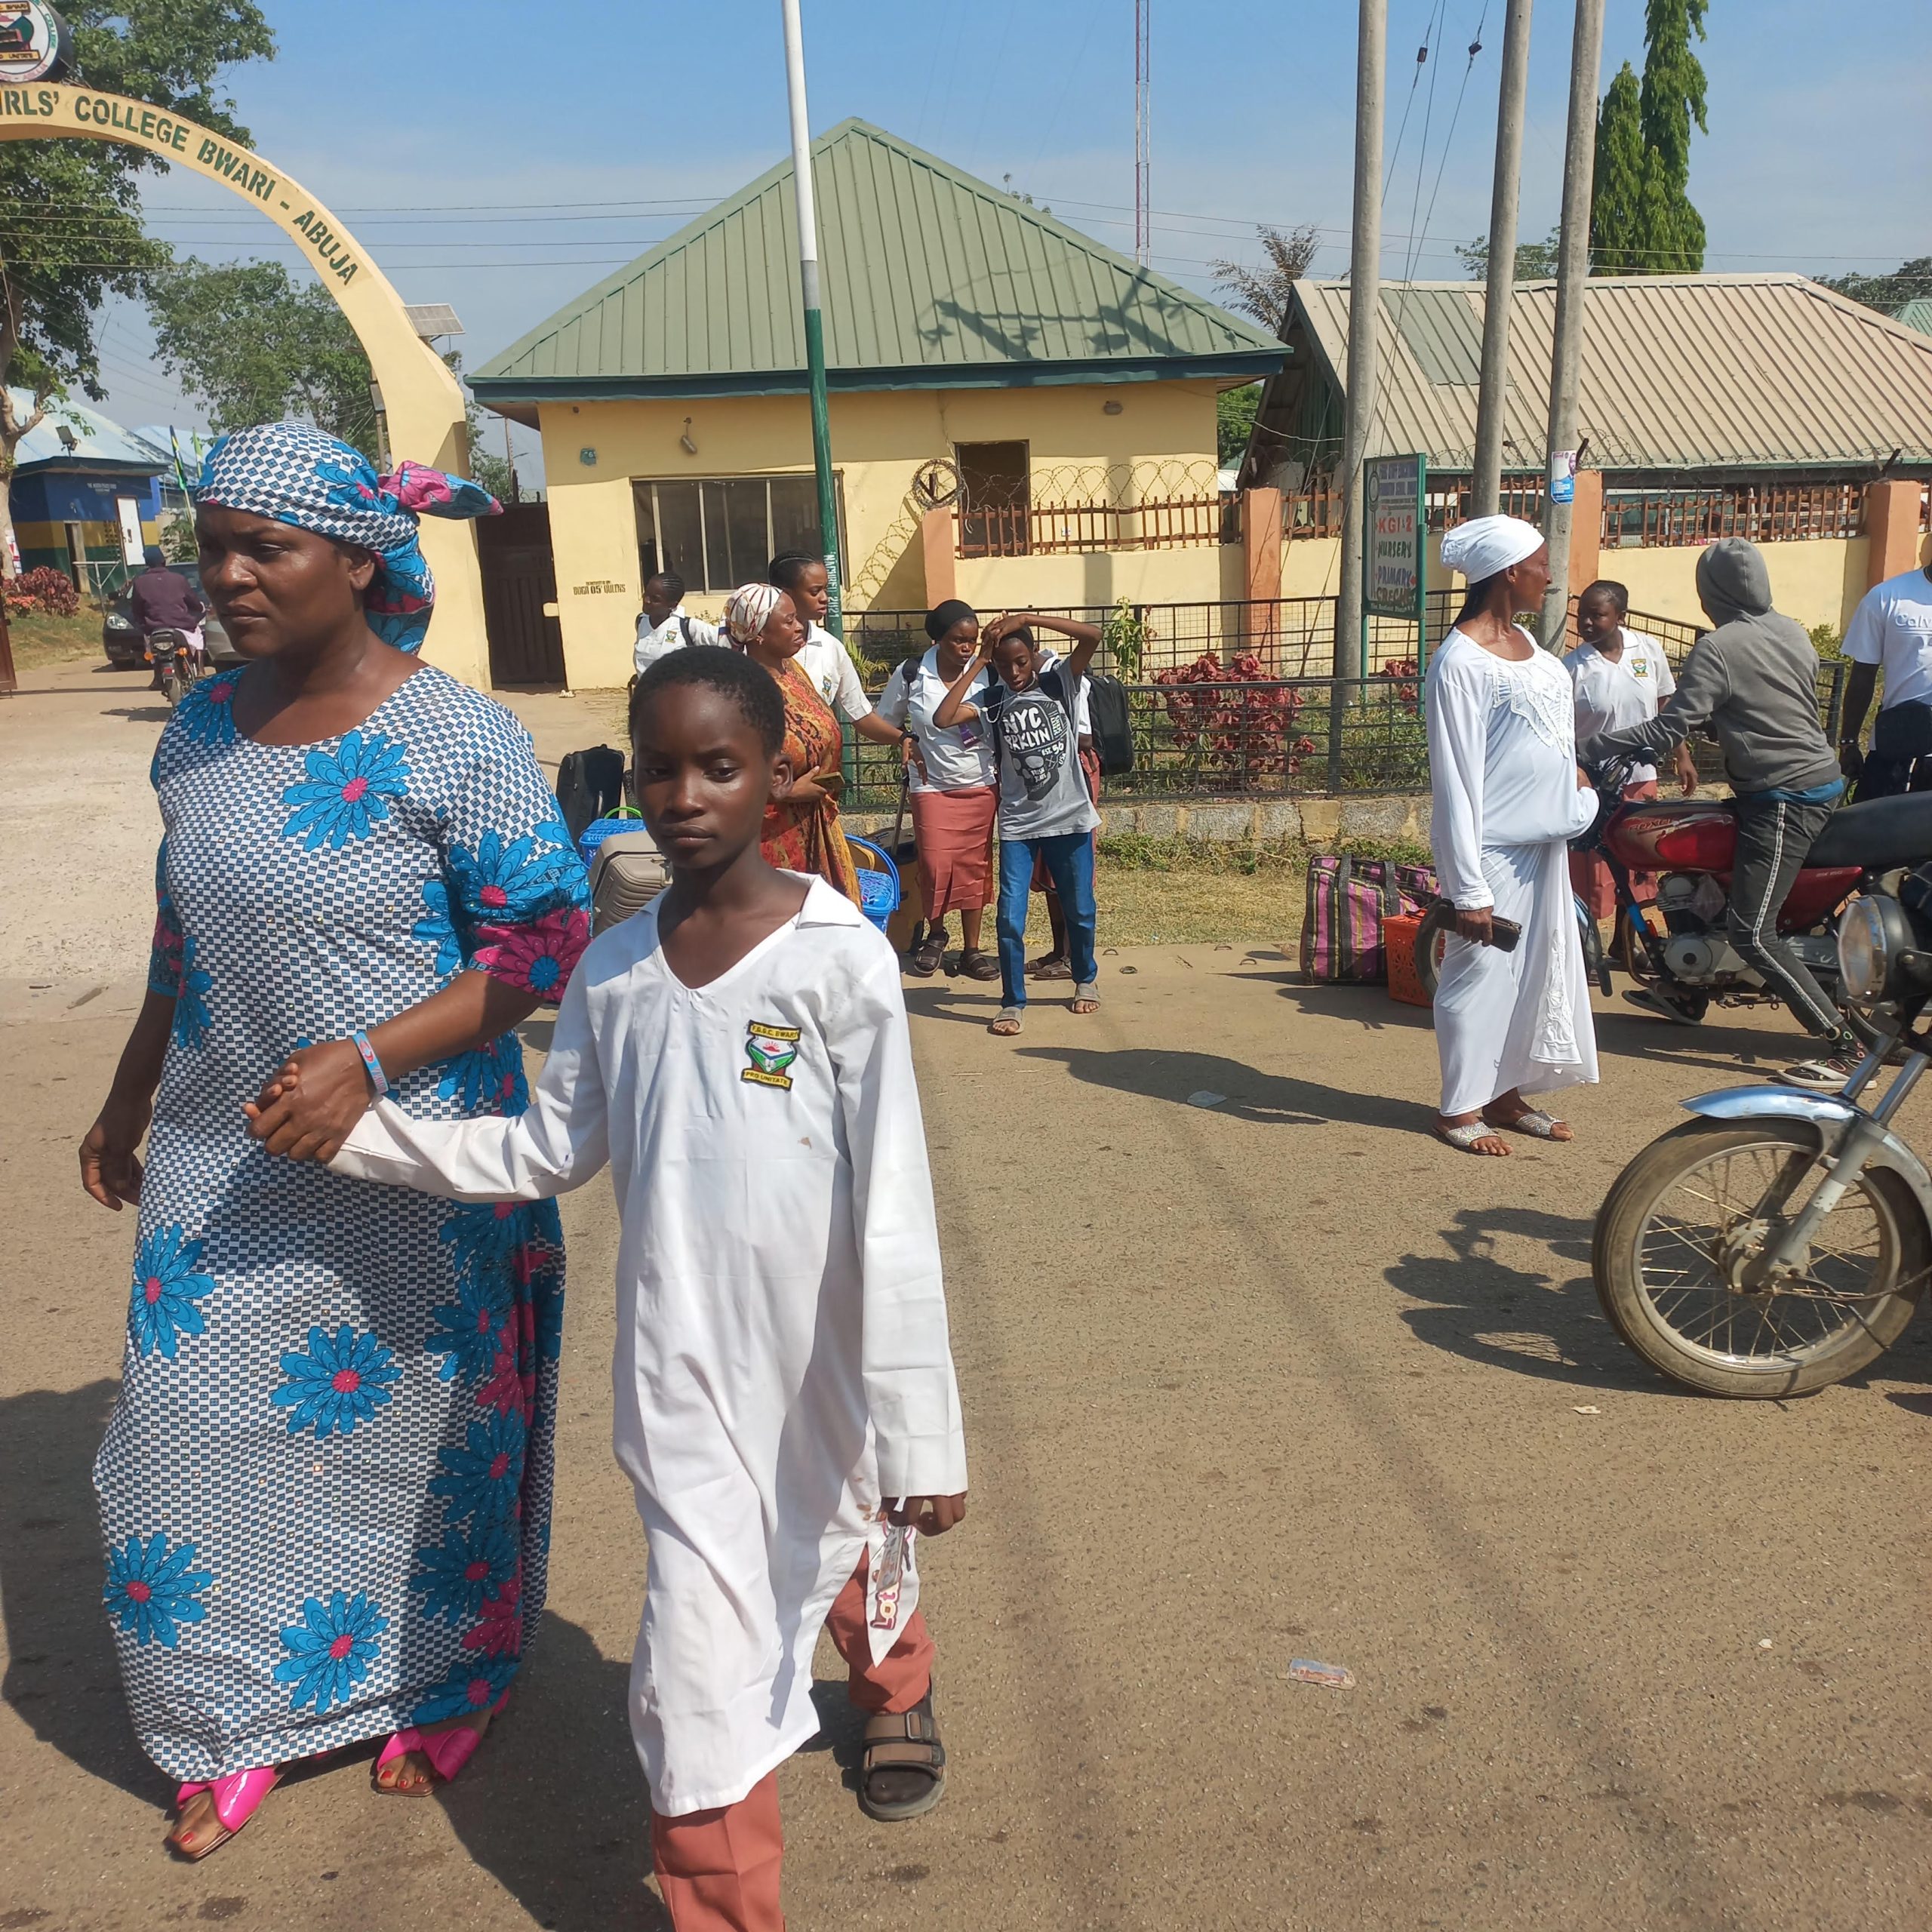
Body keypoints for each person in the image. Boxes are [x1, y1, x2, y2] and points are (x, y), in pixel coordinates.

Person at [252, 645, 969, 1932]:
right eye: (659, 769)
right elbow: (542, 1148)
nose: (686, 794)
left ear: (779, 775)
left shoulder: (836, 959)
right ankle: (723, 1909)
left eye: (720, 765)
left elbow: (896, 1204)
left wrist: (923, 1425)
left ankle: (893, 1682)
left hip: (825, 1358)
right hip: (681, 1376)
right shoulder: (614, 970)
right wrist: (359, 1129)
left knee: (850, 1530)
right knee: (698, 1662)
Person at [78, 422, 592, 1859]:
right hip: (220, 1154)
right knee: (181, 1442)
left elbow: (541, 944)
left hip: (422, 1171)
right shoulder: (196, 732)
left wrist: (369, 1066)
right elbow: (185, 939)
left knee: (433, 1443)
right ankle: (226, 1721)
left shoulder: (457, 735)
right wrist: (128, 1096)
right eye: (213, 545)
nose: (228, 577)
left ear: (359, 561)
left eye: (267, 548)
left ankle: (442, 1681)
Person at [1582, 537, 1857, 1088]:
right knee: (1688, 869)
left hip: (1782, 797)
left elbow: (1667, 727)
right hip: (1812, 779)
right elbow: (1767, 707)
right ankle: (1683, 990)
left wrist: (1592, 748)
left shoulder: (1720, 647)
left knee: (1753, 931)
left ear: (1712, 592)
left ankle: (1841, 1044)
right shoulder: (1791, 630)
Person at [1426, 515, 1600, 1155]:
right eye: (1540, 563)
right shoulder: (1460, 663)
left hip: (1545, 846)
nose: (1550, 574)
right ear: (1507, 572)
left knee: (1536, 970)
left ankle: (1505, 1093)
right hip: (1493, 851)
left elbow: (1554, 738)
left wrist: (1573, 781)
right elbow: (1457, 781)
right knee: (1479, 976)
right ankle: (1458, 1108)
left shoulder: (1534, 647)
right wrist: (1467, 886)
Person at [932, 611, 1103, 1035]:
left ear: (1034, 657)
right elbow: (942, 717)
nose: (1013, 671)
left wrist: (1029, 617)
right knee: (1010, 917)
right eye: (1004, 664)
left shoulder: (1058, 683)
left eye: (1021, 661)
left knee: (1079, 908)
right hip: (1019, 827)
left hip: (1070, 818)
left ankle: (1085, 978)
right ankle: (1012, 1001)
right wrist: (980, 660)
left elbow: (1092, 635)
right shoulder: (992, 700)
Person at [874, 599, 1000, 980]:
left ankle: (973, 950)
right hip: (931, 787)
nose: (966, 648)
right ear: (936, 639)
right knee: (934, 864)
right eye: (958, 641)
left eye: (973, 641)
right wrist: (904, 739)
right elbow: (883, 720)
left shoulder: (989, 675)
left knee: (974, 867)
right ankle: (936, 934)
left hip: (979, 784)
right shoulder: (913, 674)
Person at [1564, 580, 1697, 926]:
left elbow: (1665, 707)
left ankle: (1628, 943)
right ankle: (1587, 944)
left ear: (1620, 616)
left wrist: (1681, 755)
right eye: (1582, 616)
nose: (1587, 624)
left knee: (1639, 862)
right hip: (1593, 783)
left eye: (1597, 615)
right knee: (1595, 867)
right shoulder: (1572, 667)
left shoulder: (1648, 650)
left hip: (1640, 777)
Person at [724, 580, 862, 902]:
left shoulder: (793, 672)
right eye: (788, 621)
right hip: (770, 842)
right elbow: (724, 773)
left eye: (797, 618)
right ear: (758, 634)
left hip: (816, 826)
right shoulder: (740, 693)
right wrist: (785, 791)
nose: (800, 626)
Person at [767, 552, 907, 754]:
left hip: (818, 772)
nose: (825, 598)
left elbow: (860, 714)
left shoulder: (830, 648)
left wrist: (904, 739)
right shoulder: (752, 647)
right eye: (815, 591)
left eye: (825, 589)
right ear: (786, 594)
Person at [1838, 551, 1932, 799]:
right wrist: (1848, 742)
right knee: (1875, 835)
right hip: (1896, 751)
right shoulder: (1886, 597)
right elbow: (1862, 675)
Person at [128, 543, 207, 690]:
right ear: (164, 561)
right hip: (182, 626)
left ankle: (157, 677)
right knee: (198, 637)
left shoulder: (139, 583)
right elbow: (193, 601)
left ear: (147, 564)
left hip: (154, 628)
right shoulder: (179, 579)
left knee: (150, 648)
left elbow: (136, 609)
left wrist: (143, 625)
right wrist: (200, 608)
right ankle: (201, 671)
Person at [635, 570, 718, 677]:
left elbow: (729, 642)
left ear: (672, 605)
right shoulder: (641, 622)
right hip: (646, 692)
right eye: (646, 594)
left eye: (655, 599)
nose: (646, 600)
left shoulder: (688, 627)